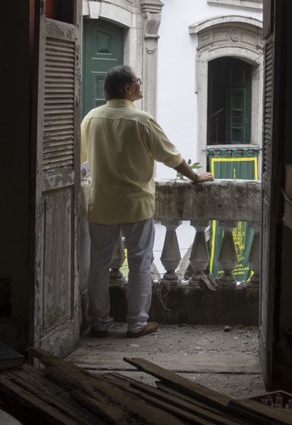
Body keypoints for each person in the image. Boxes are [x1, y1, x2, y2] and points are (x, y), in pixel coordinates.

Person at [80, 65, 212, 337]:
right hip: (135, 204)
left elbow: (81, 159)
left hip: (101, 203)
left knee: (99, 266)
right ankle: (137, 323)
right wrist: (194, 176)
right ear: (127, 88)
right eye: (137, 82)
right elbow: (171, 157)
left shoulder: (91, 119)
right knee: (140, 264)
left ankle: (100, 323)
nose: (140, 85)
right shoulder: (141, 120)